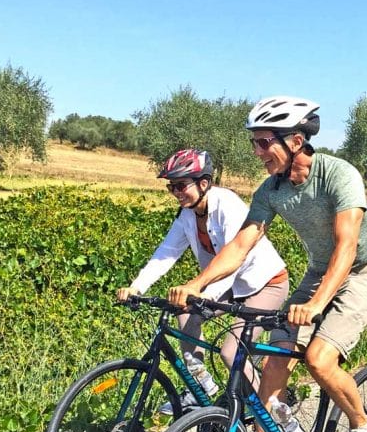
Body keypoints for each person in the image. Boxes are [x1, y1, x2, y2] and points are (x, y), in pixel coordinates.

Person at [168, 96, 367, 432]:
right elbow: (241, 244)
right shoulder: (270, 191)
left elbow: (347, 246)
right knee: (270, 374)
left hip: (361, 272)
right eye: (254, 143)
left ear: (296, 140)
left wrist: (318, 303)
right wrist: (198, 283)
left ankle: (364, 426)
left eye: (263, 142)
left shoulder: (338, 175)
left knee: (320, 359)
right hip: (318, 274)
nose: (257, 152)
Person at [116, 148, 290, 411]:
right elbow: (166, 253)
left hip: (265, 283)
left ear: (204, 183)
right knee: (184, 314)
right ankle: (201, 386)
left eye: (181, 185)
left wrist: (204, 294)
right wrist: (136, 286)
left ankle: (271, 418)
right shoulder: (187, 214)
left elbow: (235, 259)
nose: (176, 192)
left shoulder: (227, 205)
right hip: (228, 284)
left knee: (231, 353)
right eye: (171, 187)